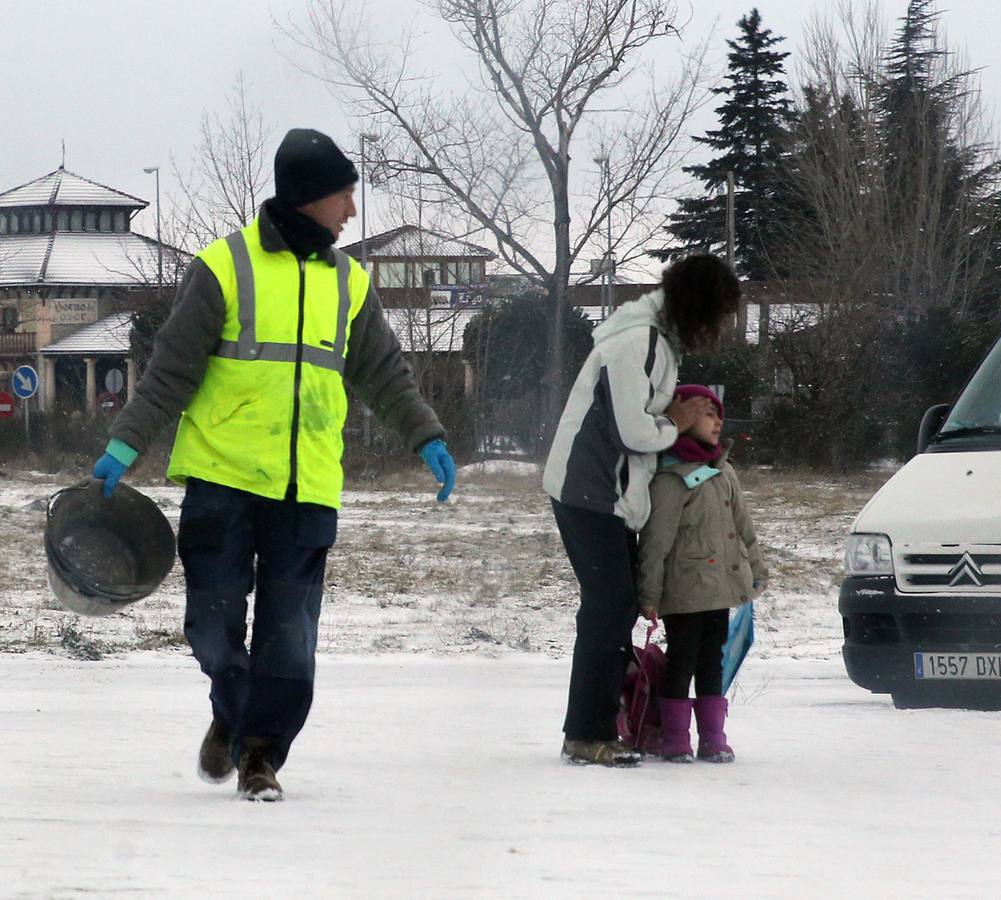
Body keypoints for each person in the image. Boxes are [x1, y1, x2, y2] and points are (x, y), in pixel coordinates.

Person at [92, 128, 455, 802]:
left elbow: (385, 373)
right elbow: (169, 372)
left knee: (290, 636)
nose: (351, 209)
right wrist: (125, 443)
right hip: (223, 480)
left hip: (307, 487)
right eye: (344, 194)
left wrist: (425, 435)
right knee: (215, 624)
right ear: (310, 196)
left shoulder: (348, 281)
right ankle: (231, 714)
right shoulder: (223, 267)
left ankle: (260, 755)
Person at [543, 254, 740, 767]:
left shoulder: (658, 343)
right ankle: (588, 733)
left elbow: (645, 429)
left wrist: (675, 427)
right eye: (720, 316)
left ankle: (596, 726)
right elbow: (635, 431)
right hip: (588, 491)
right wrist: (676, 422)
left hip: (609, 494)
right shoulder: (637, 344)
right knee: (610, 607)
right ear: (699, 307)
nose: (721, 328)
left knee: (614, 607)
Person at [636, 384, 766, 763]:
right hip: (684, 590)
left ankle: (713, 736)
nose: (717, 423)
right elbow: (655, 543)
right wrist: (649, 594)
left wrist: (755, 568)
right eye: (708, 414)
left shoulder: (723, 472)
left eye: (718, 415)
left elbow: (744, 529)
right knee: (682, 660)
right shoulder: (671, 479)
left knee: (713, 661)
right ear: (686, 419)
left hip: (720, 589)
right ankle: (675, 737)